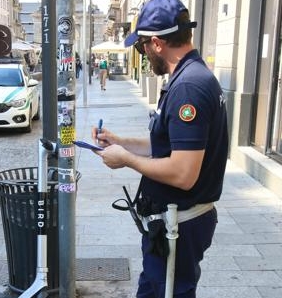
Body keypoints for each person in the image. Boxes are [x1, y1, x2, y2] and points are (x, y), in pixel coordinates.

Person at [91, 0, 228, 297]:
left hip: (180, 225)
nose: (142, 55)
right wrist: (120, 141)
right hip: (169, 226)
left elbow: (183, 173)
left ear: (157, 43)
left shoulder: (188, 87)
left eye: (141, 48)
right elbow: (166, 144)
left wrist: (125, 159)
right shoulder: (187, 78)